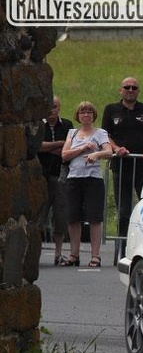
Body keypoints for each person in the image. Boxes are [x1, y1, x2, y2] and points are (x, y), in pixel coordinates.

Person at [102, 77, 143, 255]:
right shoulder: (111, 110)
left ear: (138, 91)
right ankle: (123, 249)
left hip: (142, 166)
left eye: (134, 88)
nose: (130, 90)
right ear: (120, 90)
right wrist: (115, 148)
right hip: (121, 166)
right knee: (124, 211)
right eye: (127, 87)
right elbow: (105, 135)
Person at [60, 101, 113, 267]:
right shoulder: (72, 133)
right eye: (83, 112)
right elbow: (65, 155)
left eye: (89, 112)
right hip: (74, 178)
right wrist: (83, 148)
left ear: (93, 115)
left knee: (94, 217)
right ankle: (74, 254)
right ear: (78, 115)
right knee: (72, 217)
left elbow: (109, 151)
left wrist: (96, 154)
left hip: (93, 178)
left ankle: (95, 255)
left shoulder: (100, 133)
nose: (86, 115)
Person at [38, 95, 73, 265]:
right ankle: (34, 253)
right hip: (40, 176)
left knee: (60, 215)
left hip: (60, 175)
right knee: (39, 215)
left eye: (55, 106)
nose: (52, 110)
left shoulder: (67, 125)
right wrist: (59, 143)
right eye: (49, 106)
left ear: (59, 108)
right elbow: (37, 146)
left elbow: (68, 149)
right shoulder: (38, 125)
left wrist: (50, 147)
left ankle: (58, 253)